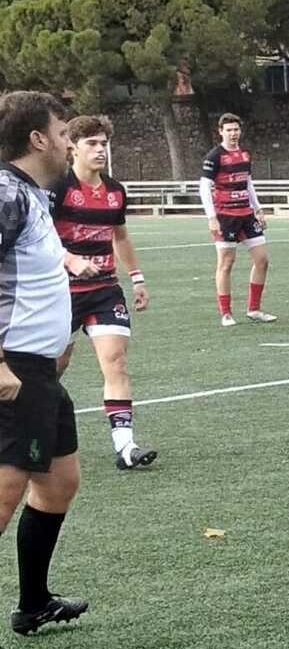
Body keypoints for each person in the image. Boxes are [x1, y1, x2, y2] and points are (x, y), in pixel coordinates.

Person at [0, 91, 92, 649]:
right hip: (12, 373)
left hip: (38, 369)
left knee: (58, 484)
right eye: (62, 132)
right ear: (37, 138)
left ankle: (33, 603)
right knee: (2, 500)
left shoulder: (29, 193)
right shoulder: (6, 192)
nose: (67, 141)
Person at [49, 115, 157, 471]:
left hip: (105, 291)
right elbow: (38, 236)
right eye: (91, 143)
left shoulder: (115, 191)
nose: (100, 150)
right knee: (52, 368)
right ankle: (28, 424)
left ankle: (125, 446)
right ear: (72, 147)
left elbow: (121, 237)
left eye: (103, 143)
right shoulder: (58, 188)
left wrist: (137, 278)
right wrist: (70, 259)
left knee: (116, 361)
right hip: (59, 293)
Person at [201, 113, 274, 327]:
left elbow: (248, 184)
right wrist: (211, 217)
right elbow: (204, 187)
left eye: (236, 129)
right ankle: (226, 313)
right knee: (226, 262)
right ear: (221, 132)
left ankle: (254, 309)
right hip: (225, 216)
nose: (233, 133)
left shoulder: (244, 155)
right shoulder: (214, 156)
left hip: (246, 214)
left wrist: (258, 209)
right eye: (229, 130)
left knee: (262, 260)